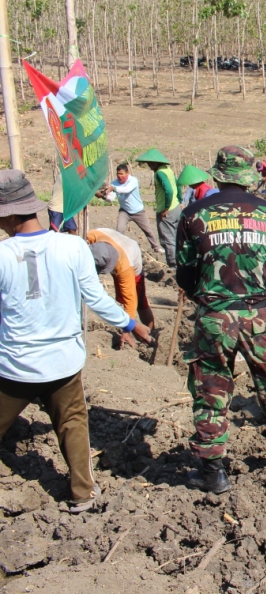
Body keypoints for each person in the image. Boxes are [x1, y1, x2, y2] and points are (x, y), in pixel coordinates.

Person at [0, 170, 151, 513]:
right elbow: (96, 298)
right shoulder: (71, 247)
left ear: (9, 215)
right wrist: (130, 324)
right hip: (63, 360)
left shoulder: (3, 255)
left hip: (15, 366)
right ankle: (82, 492)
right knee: (72, 423)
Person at [176, 146, 266, 490]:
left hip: (214, 316)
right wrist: (261, 298)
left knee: (211, 390)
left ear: (218, 176)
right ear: (250, 178)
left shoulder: (193, 214)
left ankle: (213, 471)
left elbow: (185, 272)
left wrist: (210, 300)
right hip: (260, 315)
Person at [87, 228, 156, 347]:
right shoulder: (91, 236)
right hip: (114, 243)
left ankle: (151, 334)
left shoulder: (125, 267)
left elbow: (130, 300)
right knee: (121, 297)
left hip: (132, 253)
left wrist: (126, 330)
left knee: (139, 301)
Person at [103, 163, 162, 254]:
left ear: (127, 173)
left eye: (122, 174)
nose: (120, 176)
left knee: (148, 231)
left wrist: (113, 189)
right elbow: (111, 199)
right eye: (118, 174)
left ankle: (156, 248)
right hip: (125, 211)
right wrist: (104, 195)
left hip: (138, 211)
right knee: (119, 230)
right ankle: (117, 249)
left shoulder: (133, 181)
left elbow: (127, 189)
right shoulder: (114, 183)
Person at [137, 149, 181, 269]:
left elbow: (169, 190)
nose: (150, 165)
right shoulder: (168, 170)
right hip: (176, 208)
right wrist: (179, 200)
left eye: (152, 163)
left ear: (158, 162)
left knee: (168, 239)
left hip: (167, 210)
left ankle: (173, 266)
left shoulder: (160, 173)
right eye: (148, 163)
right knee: (177, 236)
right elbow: (178, 185)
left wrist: (166, 208)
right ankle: (181, 263)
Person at [46, 160, 77, 234]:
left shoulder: (66, 174)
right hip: (56, 209)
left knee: (72, 229)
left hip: (64, 208)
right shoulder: (66, 176)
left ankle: (74, 245)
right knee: (54, 233)